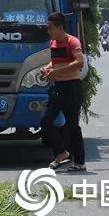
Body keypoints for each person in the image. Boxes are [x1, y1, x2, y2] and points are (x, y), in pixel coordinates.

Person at [40, 12, 87, 172]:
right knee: (45, 120)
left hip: (71, 87)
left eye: (51, 28)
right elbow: (55, 62)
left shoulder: (72, 42)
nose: (49, 31)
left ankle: (79, 162)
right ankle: (61, 153)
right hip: (57, 87)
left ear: (60, 28)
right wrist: (46, 69)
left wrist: (56, 71)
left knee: (72, 125)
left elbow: (79, 62)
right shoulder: (53, 43)